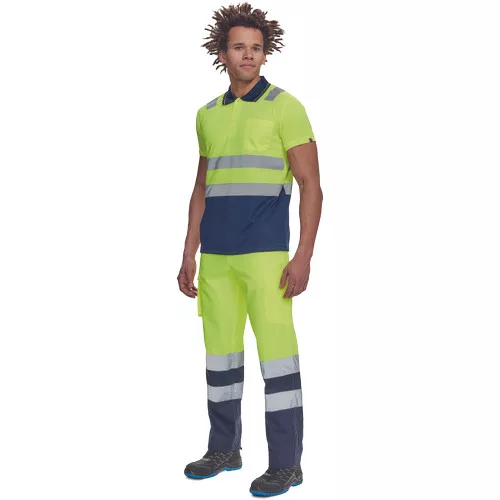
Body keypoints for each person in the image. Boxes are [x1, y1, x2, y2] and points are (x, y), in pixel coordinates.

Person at [177, 2, 323, 496]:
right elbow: (201, 188)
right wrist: (188, 253)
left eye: (256, 48)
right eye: (239, 47)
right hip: (216, 259)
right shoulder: (207, 115)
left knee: (278, 362)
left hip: (266, 258)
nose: (248, 55)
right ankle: (224, 449)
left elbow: (311, 185)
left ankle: (286, 463)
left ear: (265, 54)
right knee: (220, 360)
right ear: (222, 53)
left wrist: (303, 256)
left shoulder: (286, 106)